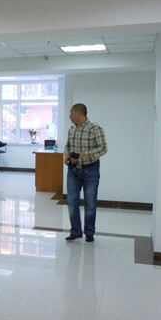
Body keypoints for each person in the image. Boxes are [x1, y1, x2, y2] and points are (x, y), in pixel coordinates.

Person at [64, 103, 107, 242]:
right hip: (73, 170)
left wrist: (86, 154)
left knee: (90, 203)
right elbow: (68, 145)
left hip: (91, 170)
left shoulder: (95, 128)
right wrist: (67, 154)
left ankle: (89, 232)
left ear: (78, 113)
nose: (70, 116)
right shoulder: (72, 129)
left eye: (71, 113)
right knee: (72, 201)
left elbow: (103, 148)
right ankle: (76, 231)